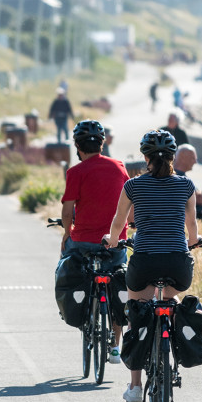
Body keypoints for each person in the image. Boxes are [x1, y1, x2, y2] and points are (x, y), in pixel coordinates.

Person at [104, 129, 199, 402]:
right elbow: (191, 227)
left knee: (136, 313)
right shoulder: (186, 185)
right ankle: (173, 335)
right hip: (177, 263)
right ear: (173, 157)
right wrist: (193, 242)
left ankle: (135, 387)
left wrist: (111, 241)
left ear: (145, 157)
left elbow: (118, 223)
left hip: (144, 260)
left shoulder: (132, 186)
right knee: (171, 298)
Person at [60, 120, 129, 363]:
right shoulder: (119, 167)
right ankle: (114, 346)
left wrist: (66, 234)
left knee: (68, 268)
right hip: (114, 241)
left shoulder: (75, 172)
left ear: (78, 146)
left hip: (83, 242)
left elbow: (68, 213)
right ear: (102, 144)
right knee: (119, 282)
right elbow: (127, 204)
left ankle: (82, 312)